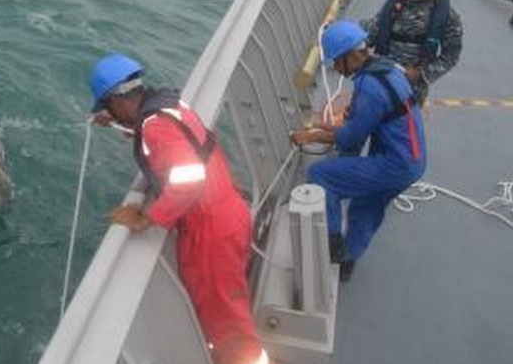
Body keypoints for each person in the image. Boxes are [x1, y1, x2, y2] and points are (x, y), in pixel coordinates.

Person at [88, 53, 267, 364]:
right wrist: (116, 122)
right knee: (226, 307)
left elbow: (189, 178)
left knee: (227, 323)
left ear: (116, 100)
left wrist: (147, 218)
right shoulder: (168, 106)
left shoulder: (154, 127)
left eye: (109, 107)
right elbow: (171, 138)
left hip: (211, 233)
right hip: (229, 212)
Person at [290, 21, 426, 282]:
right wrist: (335, 126)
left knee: (321, 175)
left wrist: (313, 135)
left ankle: (331, 246)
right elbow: (373, 116)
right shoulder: (388, 69)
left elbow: (352, 138)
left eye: (336, 61)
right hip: (413, 161)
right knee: (367, 205)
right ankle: (348, 260)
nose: (335, 69)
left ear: (350, 55)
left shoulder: (370, 87)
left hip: (394, 164)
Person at [363, 0, 463, 105]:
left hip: (410, 90)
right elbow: (376, 26)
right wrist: (355, 41)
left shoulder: (448, 17)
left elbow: (451, 56)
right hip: (380, 78)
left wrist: (421, 74)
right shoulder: (396, 2)